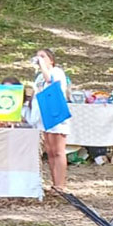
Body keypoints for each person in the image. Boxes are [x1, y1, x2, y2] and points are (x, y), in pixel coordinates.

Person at [31, 49, 71, 191]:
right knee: (50, 151)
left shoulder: (56, 71)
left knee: (58, 150)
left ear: (51, 60)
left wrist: (42, 65)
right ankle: (54, 183)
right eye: (38, 56)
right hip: (44, 113)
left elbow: (50, 81)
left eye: (43, 56)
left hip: (56, 111)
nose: (39, 58)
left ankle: (60, 185)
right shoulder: (39, 77)